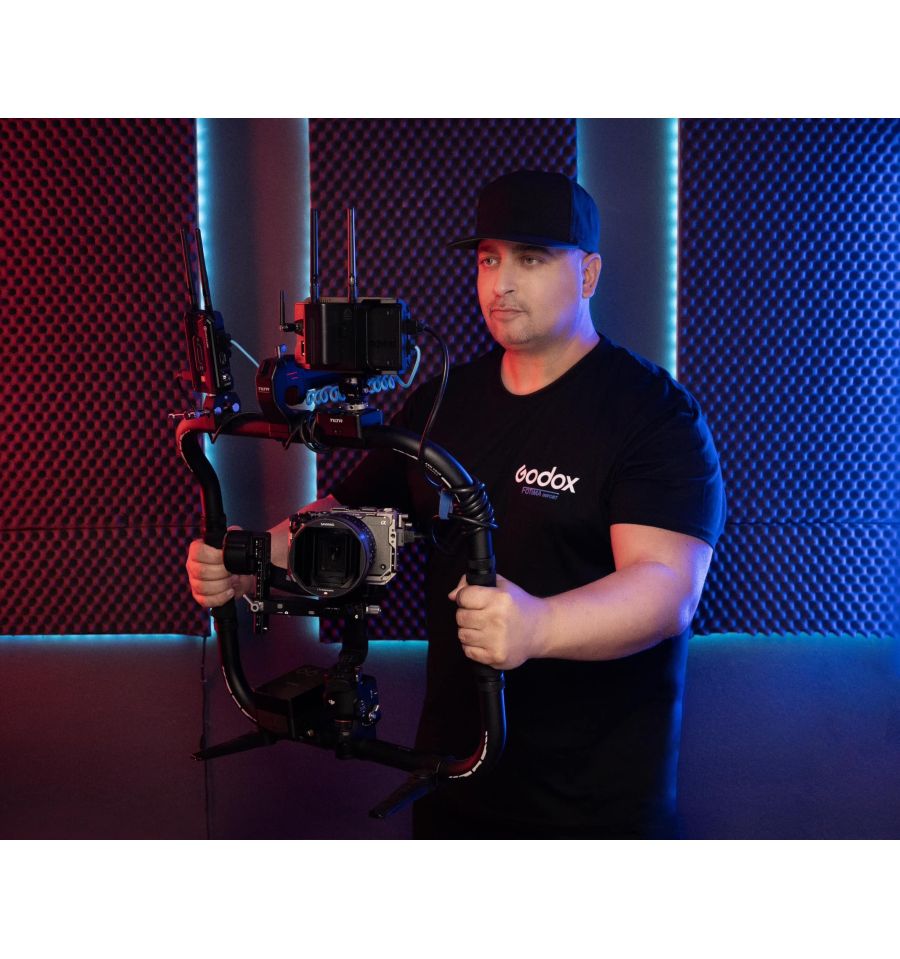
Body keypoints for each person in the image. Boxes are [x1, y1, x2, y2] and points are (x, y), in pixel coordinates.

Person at [187, 170, 726, 839]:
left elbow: (666, 587)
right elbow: (342, 513)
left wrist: (539, 626)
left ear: (588, 274)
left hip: (593, 808)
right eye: (489, 260)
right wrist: (251, 560)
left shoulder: (653, 416)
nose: (501, 284)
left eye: (531, 259)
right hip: (453, 783)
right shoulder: (445, 402)